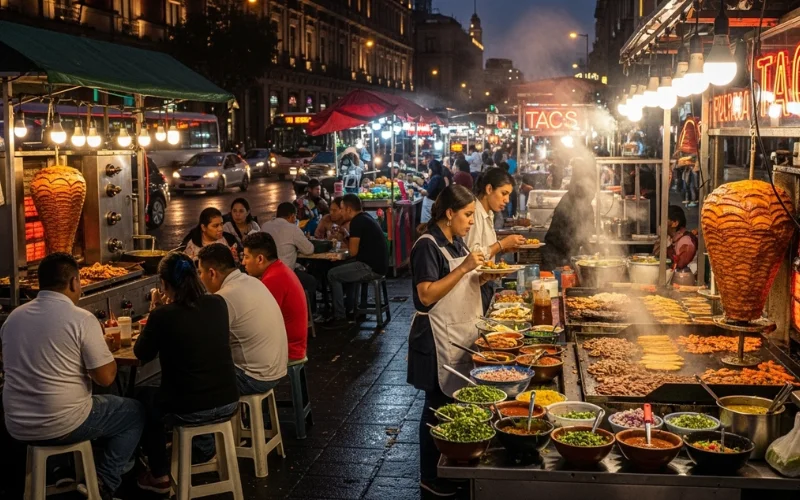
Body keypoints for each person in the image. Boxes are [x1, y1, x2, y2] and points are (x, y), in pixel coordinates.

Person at [1, 253, 145, 500]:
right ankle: (105, 482)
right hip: (63, 423)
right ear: (74, 283)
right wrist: (101, 348)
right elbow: (106, 377)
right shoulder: (81, 318)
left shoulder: (13, 318)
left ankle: (62, 470)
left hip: (16, 423)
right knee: (134, 412)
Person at [407, 185, 489, 497]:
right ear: (450, 213)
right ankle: (430, 476)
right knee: (435, 408)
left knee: (450, 406)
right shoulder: (427, 245)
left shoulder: (455, 243)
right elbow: (426, 294)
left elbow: (457, 282)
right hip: (435, 338)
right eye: (468, 214)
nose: (471, 221)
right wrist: (467, 268)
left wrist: (479, 277)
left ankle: (450, 466)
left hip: (457, 335)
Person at [135, 252, 239, 493]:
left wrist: (155, 312)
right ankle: (202, 448)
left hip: (188, 409)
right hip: (228, 401)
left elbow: (142, 353)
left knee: (142, 398)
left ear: (164, 284)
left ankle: (159, 474)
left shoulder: (162, 315)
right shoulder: (217, 303)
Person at [197, 244, 288, 397]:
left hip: (254, 378)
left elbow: (204, 341)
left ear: (212, 273)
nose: (200, 278)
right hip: (277, 370)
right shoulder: (253, 281)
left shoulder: (224, 298)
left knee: (191, 377)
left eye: (200, 272)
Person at [324, 194, 389, 330]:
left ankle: (340, 317)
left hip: (369, 267)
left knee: (332, 274)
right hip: (378, 265)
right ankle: (352, 308)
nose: (341, 213)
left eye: (341, 209)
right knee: (343, 270)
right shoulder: (365, 217)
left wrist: (340, 247)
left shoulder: (357, 222)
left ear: (348, 209)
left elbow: (353, 252)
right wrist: (346, 235)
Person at [242, 232, 309, 361]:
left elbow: (259, 323)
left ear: (260, 259)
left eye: (246, 257)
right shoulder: (279, 269)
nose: (243, 262)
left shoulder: (273, 279)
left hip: (288, 350)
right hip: (291, 345)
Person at [467, 168, 525, 310]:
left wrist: (503, 248)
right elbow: (472, 254)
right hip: (474, 284)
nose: (507, 200)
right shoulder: (473, 214)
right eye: (503, 193)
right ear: (489, 189)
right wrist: (501, 244)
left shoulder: (489, 214)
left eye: (508, 195)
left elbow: (486, 248)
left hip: (485, 281)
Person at [261, 202, 318, 313]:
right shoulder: (292, 228)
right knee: (311, 281)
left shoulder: (265, 226)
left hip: (265, 274)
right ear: (292, 216)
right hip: (284, 275)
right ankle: (307, 314)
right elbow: (309, 249)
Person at [542, 157, 596, 269]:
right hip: (556, 258)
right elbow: (570, 237)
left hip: (568, 256)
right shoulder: (570, 202)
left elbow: (588, 232)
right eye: (590, 187)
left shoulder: (585, 204)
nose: (593, 193)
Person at [655, 205, 698, 271]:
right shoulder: (673, 239)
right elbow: (656, 256)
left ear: (675, 223)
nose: (661, 225)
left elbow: (679, 265)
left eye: (664, 221)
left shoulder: (686, 241)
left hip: (683, 279)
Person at [421, 159, 447, 224]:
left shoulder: (435, 178)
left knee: (426, 224)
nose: (428, 170)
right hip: (435, 203)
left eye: (429, 168)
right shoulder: (440, 177)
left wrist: (416, 187)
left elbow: (427, 192)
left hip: (430, 205)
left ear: (432, 169)